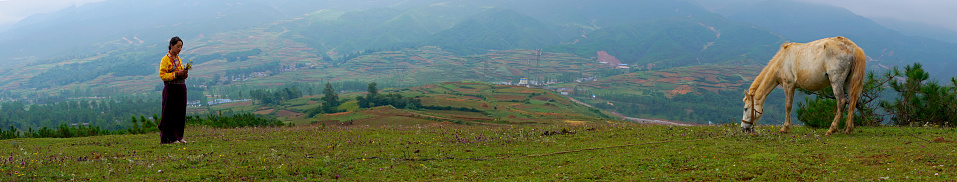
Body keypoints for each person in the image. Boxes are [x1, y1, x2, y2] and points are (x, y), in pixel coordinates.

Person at [158, 36, 189, 144]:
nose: (179, 49)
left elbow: (179, 72)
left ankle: (178, 136)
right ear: (171, 45)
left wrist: (183, 73)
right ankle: (169, 138)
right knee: (170, 113)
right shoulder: (165, 59)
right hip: (171, 88)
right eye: (178, 46)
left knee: (180, 113)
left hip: (180, 87)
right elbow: (163, 75)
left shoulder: (178, 59)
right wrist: (176, 74)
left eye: (181, 47)